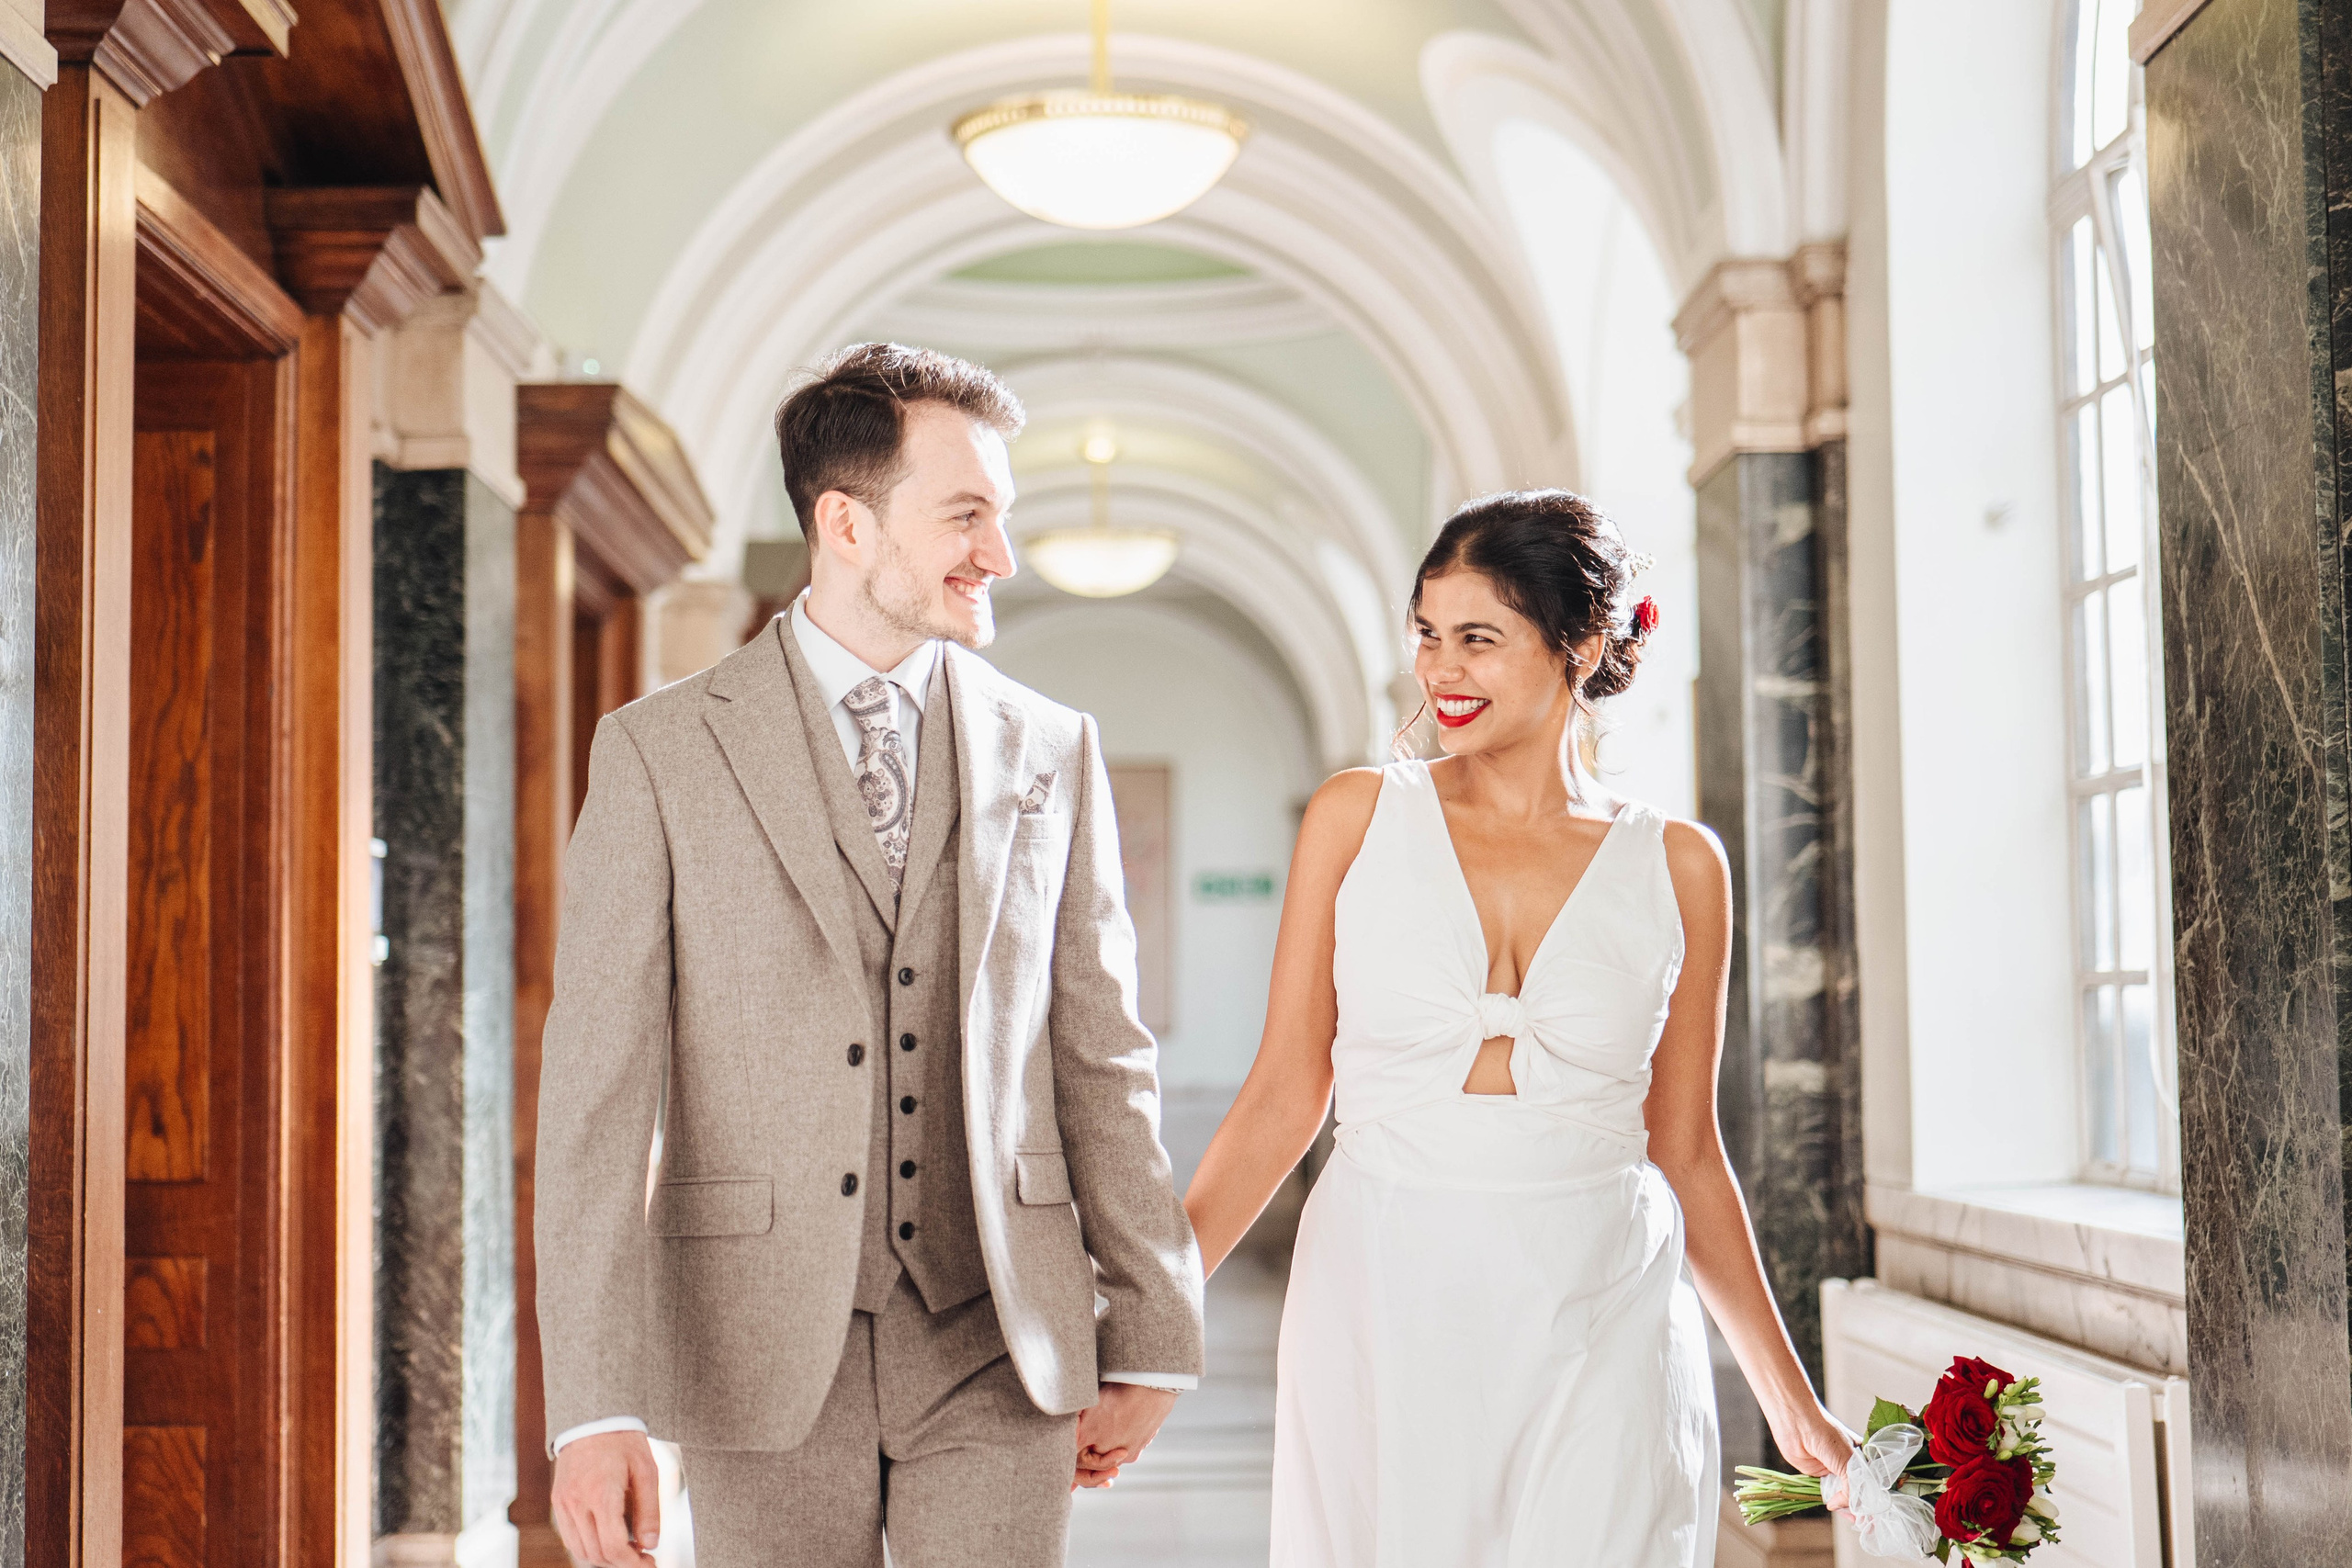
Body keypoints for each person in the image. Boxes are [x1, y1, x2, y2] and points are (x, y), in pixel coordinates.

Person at [533, 342, 1205, 1568]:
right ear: (845, 521)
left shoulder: (1055, 746)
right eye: (965, 516)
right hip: (752, 1340)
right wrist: (595, 1399)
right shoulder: (661, 750)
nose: (998, 554)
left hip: (1002, 1334)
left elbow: (1103, 1050)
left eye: (1002, 517)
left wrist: (1155, 1324)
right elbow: (597, 1093)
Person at [1182, 491, 1854, 1565]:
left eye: (1479, 640)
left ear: (1579, 646)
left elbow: (1684, 1150)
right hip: (1384, 1291)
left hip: (1604, 1304)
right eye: (1428, 636)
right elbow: (1280, 1096)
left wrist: (1793, 1407)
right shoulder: (1354, 817)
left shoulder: (1680, 865)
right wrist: (1148, 1332)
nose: (1441, 670)